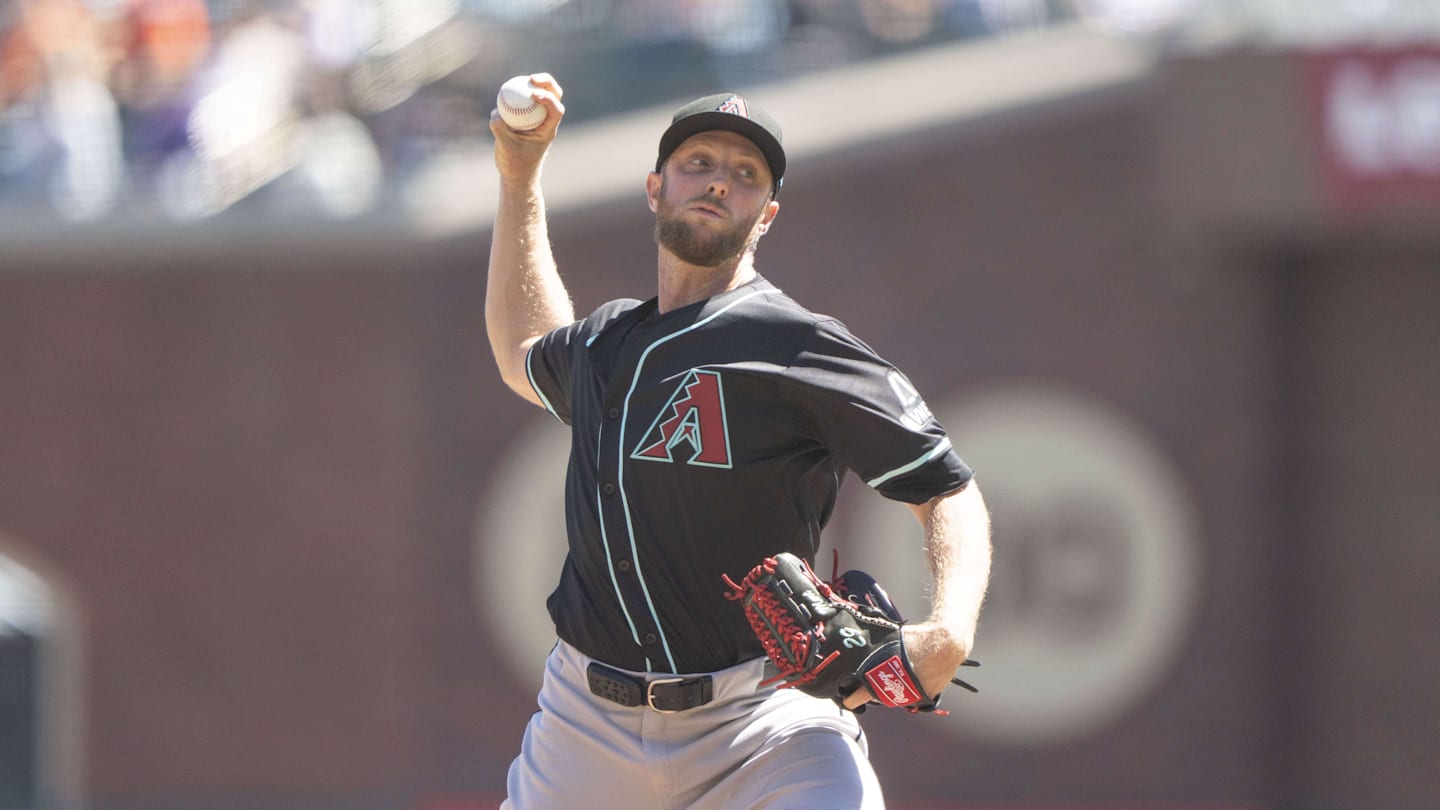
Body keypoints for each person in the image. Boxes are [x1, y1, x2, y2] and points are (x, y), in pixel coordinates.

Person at [486, 73, 992, 809]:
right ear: (655, 188)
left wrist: (947, 632)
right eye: (699, 164)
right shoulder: (604, 344)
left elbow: (946, 488)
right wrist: (520, 174)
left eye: (745, 175)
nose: (720, 183)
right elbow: (524, 346)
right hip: (585, 723)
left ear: (768, 215)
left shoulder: (797, 343)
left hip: (763, 719)